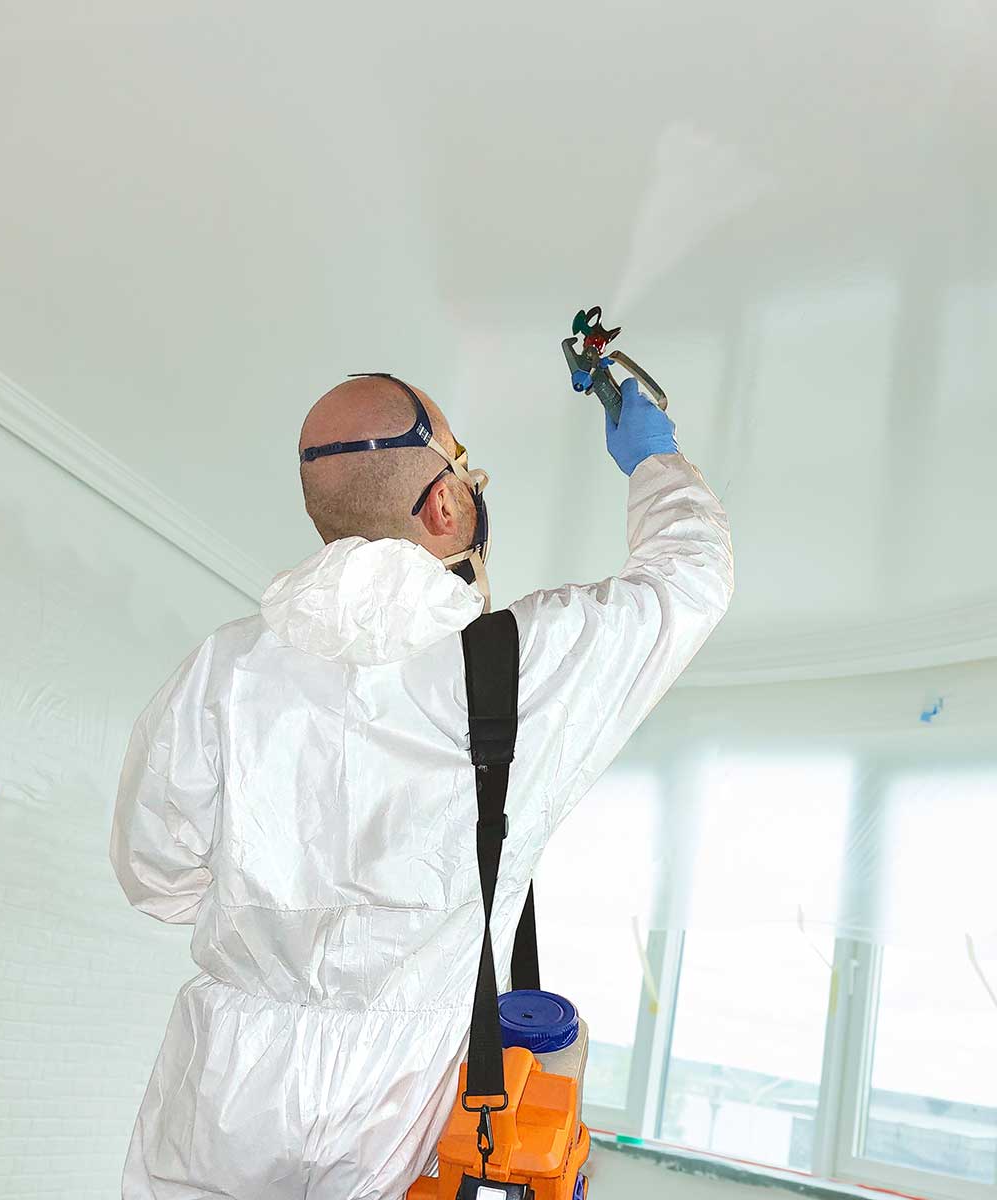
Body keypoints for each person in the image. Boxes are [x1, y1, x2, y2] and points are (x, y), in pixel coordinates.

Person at [111, 372, 733, 1200]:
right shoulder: (524, 665)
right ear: (443, 506)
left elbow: (155, 878)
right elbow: (689, 578)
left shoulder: (222, 670)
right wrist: (656, 462)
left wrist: (274, 923)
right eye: (465, 469)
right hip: (413, 1098)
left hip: (225, 1086)